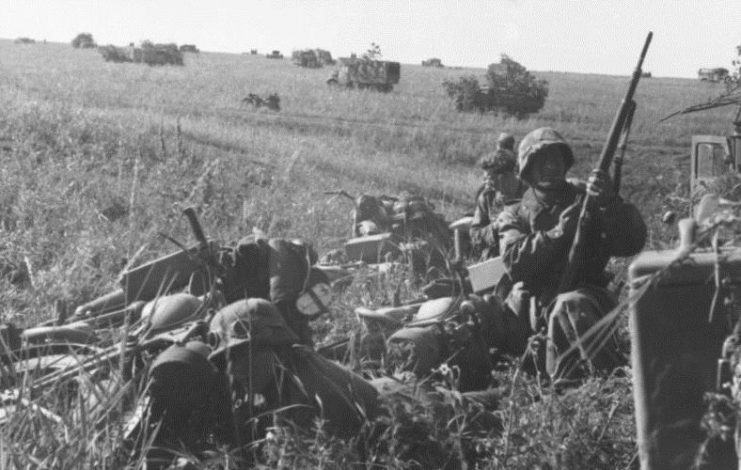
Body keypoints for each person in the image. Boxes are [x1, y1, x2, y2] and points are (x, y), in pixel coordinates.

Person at [496, 127, 646, 382]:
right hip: (536, 307)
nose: (551, 166)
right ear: (527, 169)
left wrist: (610, 204)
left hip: (589, 299)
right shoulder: (515, 213)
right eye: (541, 161)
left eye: (556, 159)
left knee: (570, 304)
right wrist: (559, 232)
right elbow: (515, 263)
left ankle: (610, 385)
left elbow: (630, 243)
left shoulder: (587, 199)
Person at [470, 148, 527, 259]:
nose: (488, 184)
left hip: (527, 255)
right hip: (495, 258)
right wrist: (495, 227)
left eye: (491, 179)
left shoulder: (530, 194)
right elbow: (474, 234)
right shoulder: (487, 197)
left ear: (506, 175)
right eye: (485, 179)